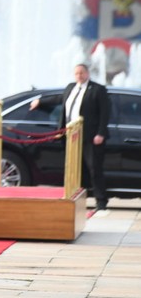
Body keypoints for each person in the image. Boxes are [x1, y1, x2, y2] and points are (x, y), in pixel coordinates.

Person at [31, 63, 110, 210]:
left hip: (90, 137)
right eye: (76, 73)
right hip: (71, 136)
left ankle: (101, 201)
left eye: (81, 73)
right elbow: (58, 99)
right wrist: (40, 101)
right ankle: (77, 198)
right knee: (75, 169)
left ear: (87, 74)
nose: (79, 76)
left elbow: (105, 113)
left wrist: (100, 133)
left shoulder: (97, 90)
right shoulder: (70, 88)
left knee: (94, 168)